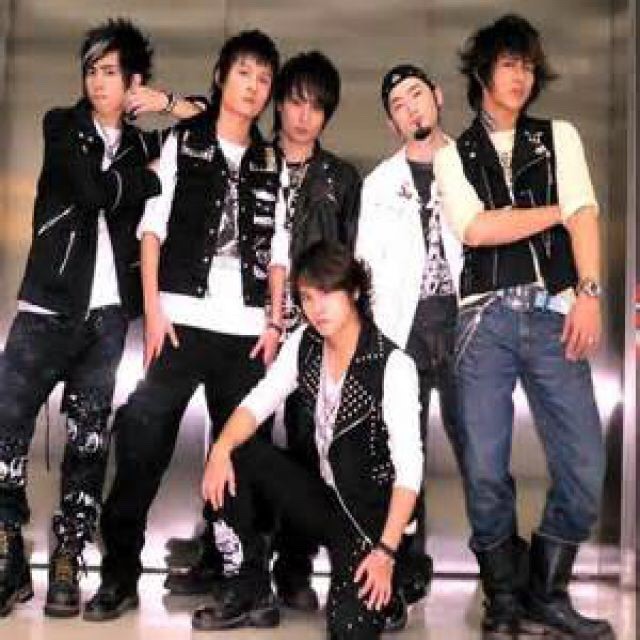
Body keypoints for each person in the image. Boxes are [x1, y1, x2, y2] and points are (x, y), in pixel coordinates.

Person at [0, 17, 202, 619]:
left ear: (133, 80)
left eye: (111, 71)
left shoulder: (144, 142)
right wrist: (146, 181)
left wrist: (164, 103)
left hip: (106, 319)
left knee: (88, 442)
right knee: (5, 431)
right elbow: (90, 192)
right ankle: (8, 554)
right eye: (91, 70)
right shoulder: (63, 125)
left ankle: (68, 557)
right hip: (46, 307)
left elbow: (208, 122)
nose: (97, 81)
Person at [83, 29, 285, 622]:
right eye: (244, 72)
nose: (253, 86)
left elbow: (280, 250)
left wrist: (274, 323)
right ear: (222, 76)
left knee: (240, 459)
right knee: (141, 444)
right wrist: (153, 311)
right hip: (177, 322)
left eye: (264, 79)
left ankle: (244, 580)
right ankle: (119, 574)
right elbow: (153, 227)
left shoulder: (271, 160)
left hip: (244, 331)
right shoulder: (184, 142)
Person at [434, 14, 614, 640]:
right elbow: (476, 229)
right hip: (482, 321)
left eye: (529, 66)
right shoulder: (452, 155)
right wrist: (555, 210)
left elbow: (586, 216)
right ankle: (503, 597)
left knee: (585, 464)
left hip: (554, 314)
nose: (521, 77)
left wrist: (589, 293)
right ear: (483, 72)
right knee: (485, 468)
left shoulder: (558, 136)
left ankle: (545, 592)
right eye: (509, 64)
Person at [164, 51, 362, 610]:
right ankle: (221, 554)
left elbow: (351, 259)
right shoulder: (252, 157)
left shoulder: (341, 179)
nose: (303, 116)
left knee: (305, 448)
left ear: (327, 115)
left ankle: (294, 567)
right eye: (295, 102)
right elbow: (206, 118)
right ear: (278, 104)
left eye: (316, 107)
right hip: (252, 328)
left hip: (313, 335)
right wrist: (168, 102)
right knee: (236, 438)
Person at [193, 241, 423, 639]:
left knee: (349, 629)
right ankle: (249, 587)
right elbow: (259, 401)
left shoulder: (393, 366)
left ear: (354, 292)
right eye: (307, 297)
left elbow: (409, 472)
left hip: (370, 521)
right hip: (325, 500)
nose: (318, 308)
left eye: (328, 293)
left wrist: (385, 552)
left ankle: (391, 587)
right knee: (239, 452)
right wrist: (220, 448)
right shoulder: (306, 343)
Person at [355, 63, 461, 628]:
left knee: (482, 454)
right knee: (402, 458)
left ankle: (504, 582)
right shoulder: (378, 184)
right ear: (392, 123)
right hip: (405, 336)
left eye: (416, 95)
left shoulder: (472, 163)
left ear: (437, 97)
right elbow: (366, 269)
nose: (411, 108)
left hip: (468, 330)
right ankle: (404, 576)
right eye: (398, 104)